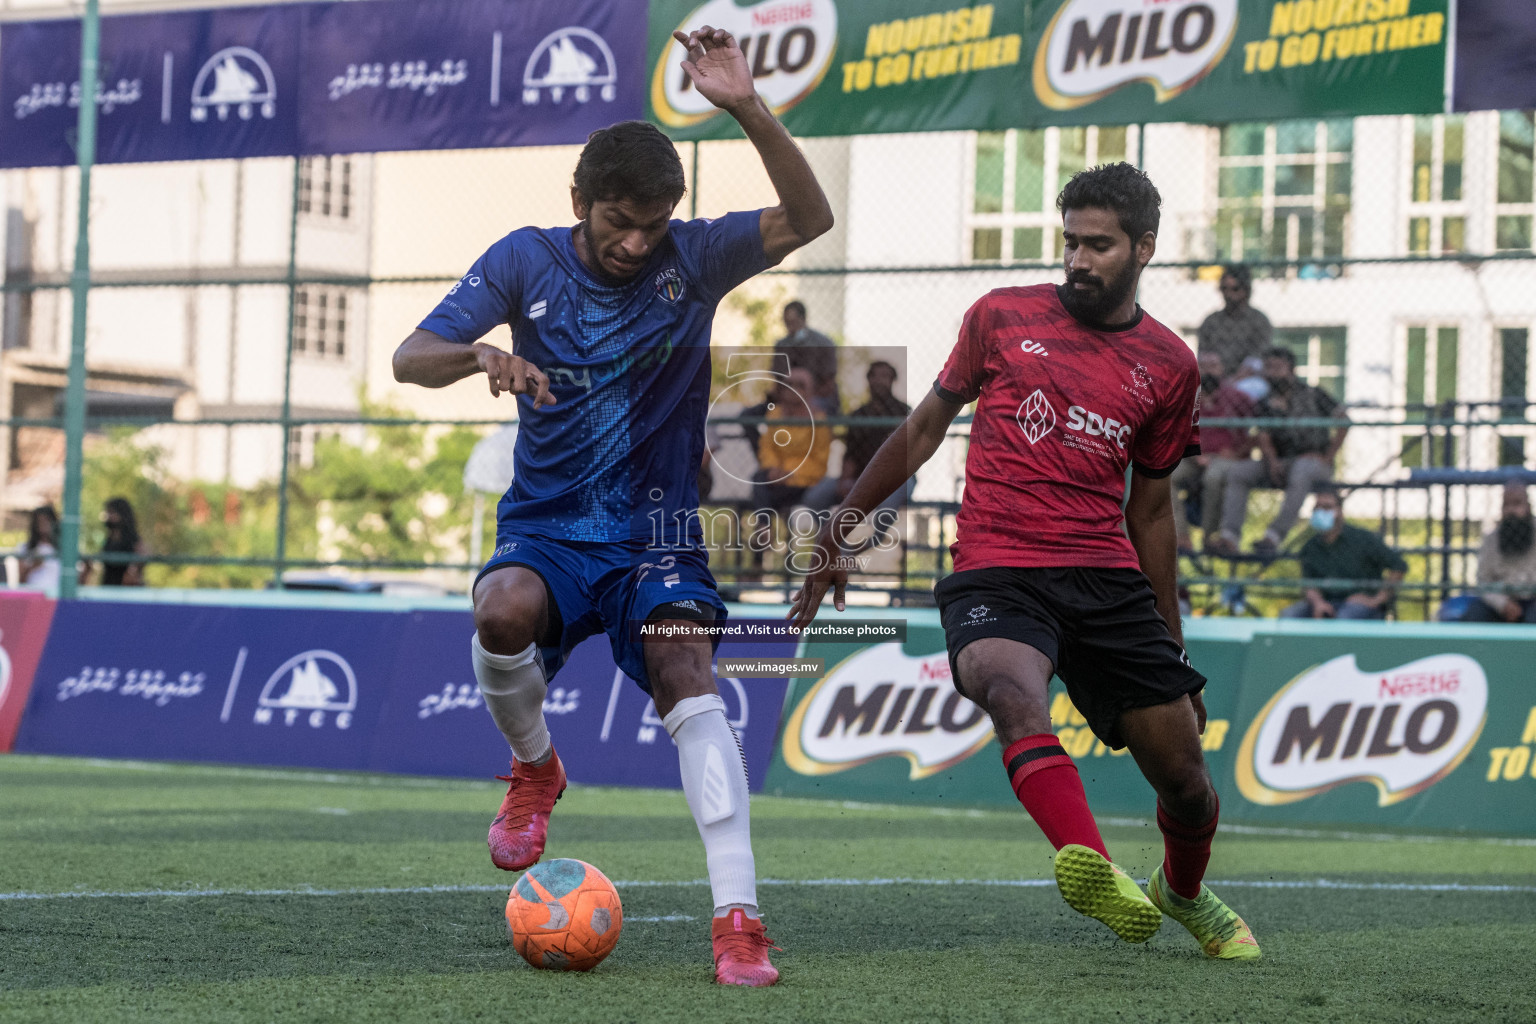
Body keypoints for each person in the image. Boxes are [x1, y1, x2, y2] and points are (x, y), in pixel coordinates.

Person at [390, 26, 831, 988]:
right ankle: (536, 770)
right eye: (618, 222)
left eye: (654, 224)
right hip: (548, 531)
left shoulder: (697, 258)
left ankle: (739, 921)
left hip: (653, 542)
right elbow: (407, 357)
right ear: (579, 204)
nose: (637, 243)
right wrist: (478, 355)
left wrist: (748, 106)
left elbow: (811, 216)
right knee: (499, 610)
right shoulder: (525, 260)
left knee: (688, 666)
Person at [790, 163, 1258, 960]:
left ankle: (1181, 893)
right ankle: (1096, 872)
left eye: (1098, 245)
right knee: (1012, 691)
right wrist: (843, 528)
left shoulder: (1171, 366)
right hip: (996, 566)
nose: (1077, 259)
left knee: (1187, 783)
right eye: (1069, 241)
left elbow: (1150, 511)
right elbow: (924, 426)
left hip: (1105, 579)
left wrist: (1174, 648)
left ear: (1143, 248)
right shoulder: (1000, 316)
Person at [1212, 347, 1348, 555]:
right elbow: (1263, 435)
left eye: (1278, 368)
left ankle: (1273, 538)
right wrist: (1273, 461)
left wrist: (1328, 457)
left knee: (1302, 470)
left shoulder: (1313, 394)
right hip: (1279, 462)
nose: (1273, 373)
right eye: (1268, 368)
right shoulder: (1266, 401)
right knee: (1238, 472)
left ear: (1291, 370)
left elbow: (1344, 420)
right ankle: (1229, 537)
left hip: (1313, 462)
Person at [1168, 351, 1253, 554]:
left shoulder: (1237, 397)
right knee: (1166, 476)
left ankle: (1210, 537)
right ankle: (1181, 536)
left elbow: (1259, 431)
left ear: (1222, 369)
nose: (1208, 371)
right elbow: (1176, 429)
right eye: (1203, 366)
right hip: (1193, 456)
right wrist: (1195, 454)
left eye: (1213, 366)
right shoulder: (1186, 395)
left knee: (1214, 477)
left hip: (1225, 458)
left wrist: (1236, 453)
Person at [803, 359, 913, 516]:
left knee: (887, 504)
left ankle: (873, 541)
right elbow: (850, 455)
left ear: (892, 380)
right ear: (868, 379)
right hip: (860, 477)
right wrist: (844, 481)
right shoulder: (858, 415)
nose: (879, 381)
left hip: (896, 478)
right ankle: (833, 540)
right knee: (814, 498)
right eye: (874, 376)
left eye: (884, 376)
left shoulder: (904, 412)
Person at [1280, 487, 1406, 619]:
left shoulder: (1363, 539)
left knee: (1345, 618)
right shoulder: (1310, 547)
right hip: (1325, 603)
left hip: (1359, 606)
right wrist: (1318, 603)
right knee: (1289, 615)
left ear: (1339, 511)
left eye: (1327, 507)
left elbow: (1398, 566)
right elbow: (1309, 585)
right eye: (1317, 508)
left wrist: (1376, 600)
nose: (1320, 511)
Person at [1441, 482, 1536, 622]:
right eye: (1506, 505)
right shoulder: (1491, 539)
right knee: (1475, 613)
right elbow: (1483, 580)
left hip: (1532, 600)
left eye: (1517, 504)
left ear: (1528, 506)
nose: (1511, 511)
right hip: (1500, 602)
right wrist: (1503, 604)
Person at [751, 366, 831, 516]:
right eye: (789, 384)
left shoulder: (818, 420)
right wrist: (773, 469)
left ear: (810, 391)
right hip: (776, 475)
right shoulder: (774, 414)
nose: (793, 390)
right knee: (759, 478)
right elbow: (767, 447)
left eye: (800, 385)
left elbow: (820, 460)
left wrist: (790, 473)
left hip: (803, 479)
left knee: (766, 492)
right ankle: (764, 529)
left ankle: (763, 529)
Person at [1196, 264, 1271, 376]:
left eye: (1235, 289)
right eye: (1224, 289)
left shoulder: (1258, 320)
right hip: (1214, 377)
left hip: (1248, 378)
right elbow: (1204, 355)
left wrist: (1234, 380)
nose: (1228, 294)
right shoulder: (1211, 321)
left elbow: (1258, 359)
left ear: (1246, 290)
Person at [775, 301, 839, 415]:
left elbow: (829, 381)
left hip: (818, 396)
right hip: (788, 398)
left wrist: (805, 395)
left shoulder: (823, 343)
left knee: (814, 409)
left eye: (793, 322)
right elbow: (779, 380)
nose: (789, 327)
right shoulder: (782, 345)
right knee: (752, 413)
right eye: (787, 322)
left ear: (803, 319)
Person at [96, 497, 145, 586]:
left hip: (126, 589)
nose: (108, 516)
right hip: (109, 586)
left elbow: (140, 561)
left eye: (111, 512)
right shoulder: (109, 539)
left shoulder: (133, 540)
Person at [17, 504, 60, 591]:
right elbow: (20, 581)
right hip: (33, 598)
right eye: (39, 521)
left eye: (47, 520)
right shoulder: (25, 548)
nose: (43, 524)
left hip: (57, 599)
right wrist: (33, 566)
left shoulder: (63, 550)